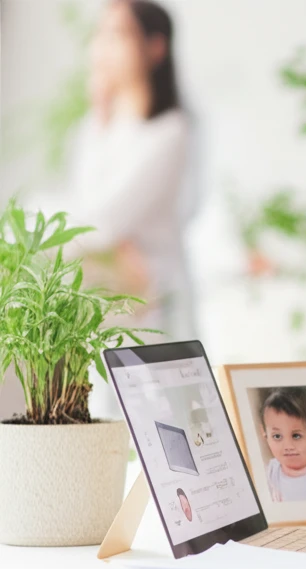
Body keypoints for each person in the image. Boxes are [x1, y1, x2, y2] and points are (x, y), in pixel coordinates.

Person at [28, 0, 196, 420]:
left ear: (155, 47)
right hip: (105, 297)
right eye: (99, 34)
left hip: (152, 305)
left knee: (156, 426)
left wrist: (96, 235)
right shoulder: (96, 127)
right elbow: (79, 218)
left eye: (117, 34)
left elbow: (96, 223)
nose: (102, 46)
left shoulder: (168, 132)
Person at [260, 387, 306, 502]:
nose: (288, 446)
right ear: (266, 436)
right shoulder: (270, 472)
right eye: (277, 436)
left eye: (296, 436)